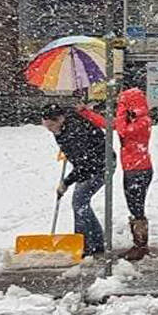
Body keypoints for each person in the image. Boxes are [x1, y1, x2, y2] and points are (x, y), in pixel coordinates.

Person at [77, 88, 153, 261]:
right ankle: (139, 244)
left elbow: (123, 131)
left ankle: (141, 246)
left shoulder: (143, 121)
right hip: (131, 168)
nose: (121, 106)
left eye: (123, 103)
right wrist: (86, 113)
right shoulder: (132, 119)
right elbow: (108, 124)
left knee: (137, 208)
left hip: (140, 170)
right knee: (134, 207)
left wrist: (120, 111)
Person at [41, 103, 114, 258]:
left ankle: (85, 245)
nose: (50, 129)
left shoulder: (75, 132)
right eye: (47, 126)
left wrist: (66, 183)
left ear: (60, 119)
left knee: (79, 202)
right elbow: (78, 157)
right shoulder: (63, 126)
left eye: (52, 126)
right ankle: (97, 242)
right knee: (82, 202)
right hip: (90, 164)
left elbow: (84, 163)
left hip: (101, 165)